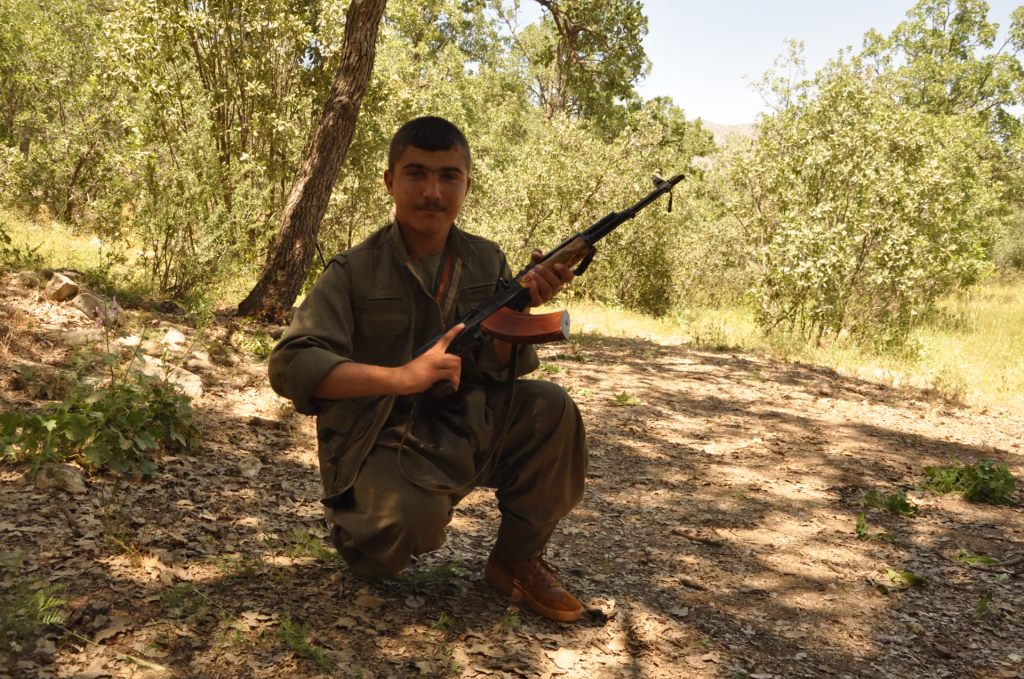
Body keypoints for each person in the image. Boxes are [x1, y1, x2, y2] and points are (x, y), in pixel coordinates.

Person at [268, 116, 589, 622]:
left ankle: (516, 560)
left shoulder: (486, 260)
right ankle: (368, 519)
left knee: (552, 408)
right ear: (390, 182)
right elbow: (292, 362)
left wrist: (523, 307)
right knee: (386, 545)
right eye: (416, 174)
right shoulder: (353, 271)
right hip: (382, 434)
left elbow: (500, 368)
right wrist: (401, 377)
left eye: (448, 176)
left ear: (466, 184)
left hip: (461, 421)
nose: (433, 192)